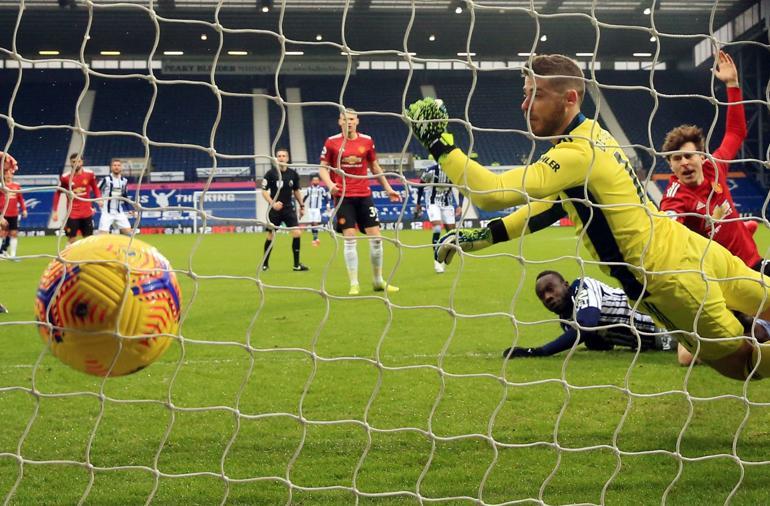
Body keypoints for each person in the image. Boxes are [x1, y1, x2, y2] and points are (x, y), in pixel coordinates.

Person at [406, 53, 770, 381]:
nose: (523, 104)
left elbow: (491, 192)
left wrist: (439, 145)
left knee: (741, 363)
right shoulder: (596, 134)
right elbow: (549, 208)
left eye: (536, 95)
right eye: (525, 92)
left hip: (665, 280)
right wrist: (482, 237)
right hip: (692, 247)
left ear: (569, 99)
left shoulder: (574, 155)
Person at [319, 109, 402, 295]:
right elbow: (322, 168)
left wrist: (388, 189)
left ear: (357, 121)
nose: (348, 122)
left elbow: (374, 166)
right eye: (344, 119)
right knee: (350, 238)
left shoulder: (367, 140)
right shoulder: (331, 142)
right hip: (343, 196)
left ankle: (378, 281)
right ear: (339, 122)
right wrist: (330, 184)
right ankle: (354, 283)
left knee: (377, 238)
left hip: (364, 195)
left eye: (351, 119)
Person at [504, 271, 676, 358]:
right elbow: (601, 345)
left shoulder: (582, 287)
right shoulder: (567, 321)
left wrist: (538, 352)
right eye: (542, 296)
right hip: (653, 342)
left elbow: (587, 324)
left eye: (550, 289)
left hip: (666, 325)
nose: (547, 297)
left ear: (565, 285)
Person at [260, 148, 308, 272]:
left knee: (297, 233)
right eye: (279, 156)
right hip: (274, 210)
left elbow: (296, 191)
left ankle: (296, 265)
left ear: (287, 158)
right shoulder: (271, 174)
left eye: (283, 156)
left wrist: (301, 206)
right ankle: (265, 264)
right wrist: (273, 203)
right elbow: (264, 191)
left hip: (288, 209)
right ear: (276, 159)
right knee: (271, 235)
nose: (281, 158)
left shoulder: (293, 174)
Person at [413, 157, 462, 273]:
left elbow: (461, 189)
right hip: (432, 202)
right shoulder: (431, 171)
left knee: (452, 234)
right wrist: (418, 203)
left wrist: (459, 205)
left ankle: (444, 258)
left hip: (447, 204)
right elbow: (421, 185)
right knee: (437, 227)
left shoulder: (454, 173)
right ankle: (436, 261)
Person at [52, 153, 101, 244]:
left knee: (88, 239)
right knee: (72, 239)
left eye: (78, 161)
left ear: (82, 162)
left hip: (87, 213)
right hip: (72, 213)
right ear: (70, 163)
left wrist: (99, 199)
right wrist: (55, 211)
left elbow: (95, 188)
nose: (76, 164)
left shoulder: (89, 174)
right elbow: (58, 192)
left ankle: (87, 258)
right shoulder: (65, 177)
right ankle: (67, 258)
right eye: (73, 162)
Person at [97, 159, 132, 235]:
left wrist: (129, 209)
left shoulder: (124, 181)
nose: (116, 167)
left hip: (119, 212)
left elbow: (124, 196)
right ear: (111, 167)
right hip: (107, 212)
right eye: (114, 165)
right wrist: (99, 200)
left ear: (121, 167)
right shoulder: (106, 180)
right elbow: (96, 191)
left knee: (129, 234)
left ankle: (123, 247)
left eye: (118, 165)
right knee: (102, 236)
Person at [0, 169, 27, 258]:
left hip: (14, 214)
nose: (8, 176)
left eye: (10, 174)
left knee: (14, 233)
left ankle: (13, 255)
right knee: (1, 233)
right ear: (3, 175)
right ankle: (1, 253)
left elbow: (20, 199)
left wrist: (24, 209)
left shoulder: (16, 186)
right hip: (3, 214)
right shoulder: (1, 186)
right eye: (6, 174)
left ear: (12, 175)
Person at [303, 174, 331, 246]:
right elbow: (305, 197)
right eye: (314, 180)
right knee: (312, 223)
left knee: (315, 222)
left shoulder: (321, 189)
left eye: (317, 180)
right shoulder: (309, 189)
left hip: (317, 209)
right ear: (312, 181)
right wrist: (301, 205)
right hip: (310, 208)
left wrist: (328, 205)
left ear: (319, 181)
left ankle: (315, 238)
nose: (315, 181)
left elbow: (326, 197)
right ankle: (315, 237)